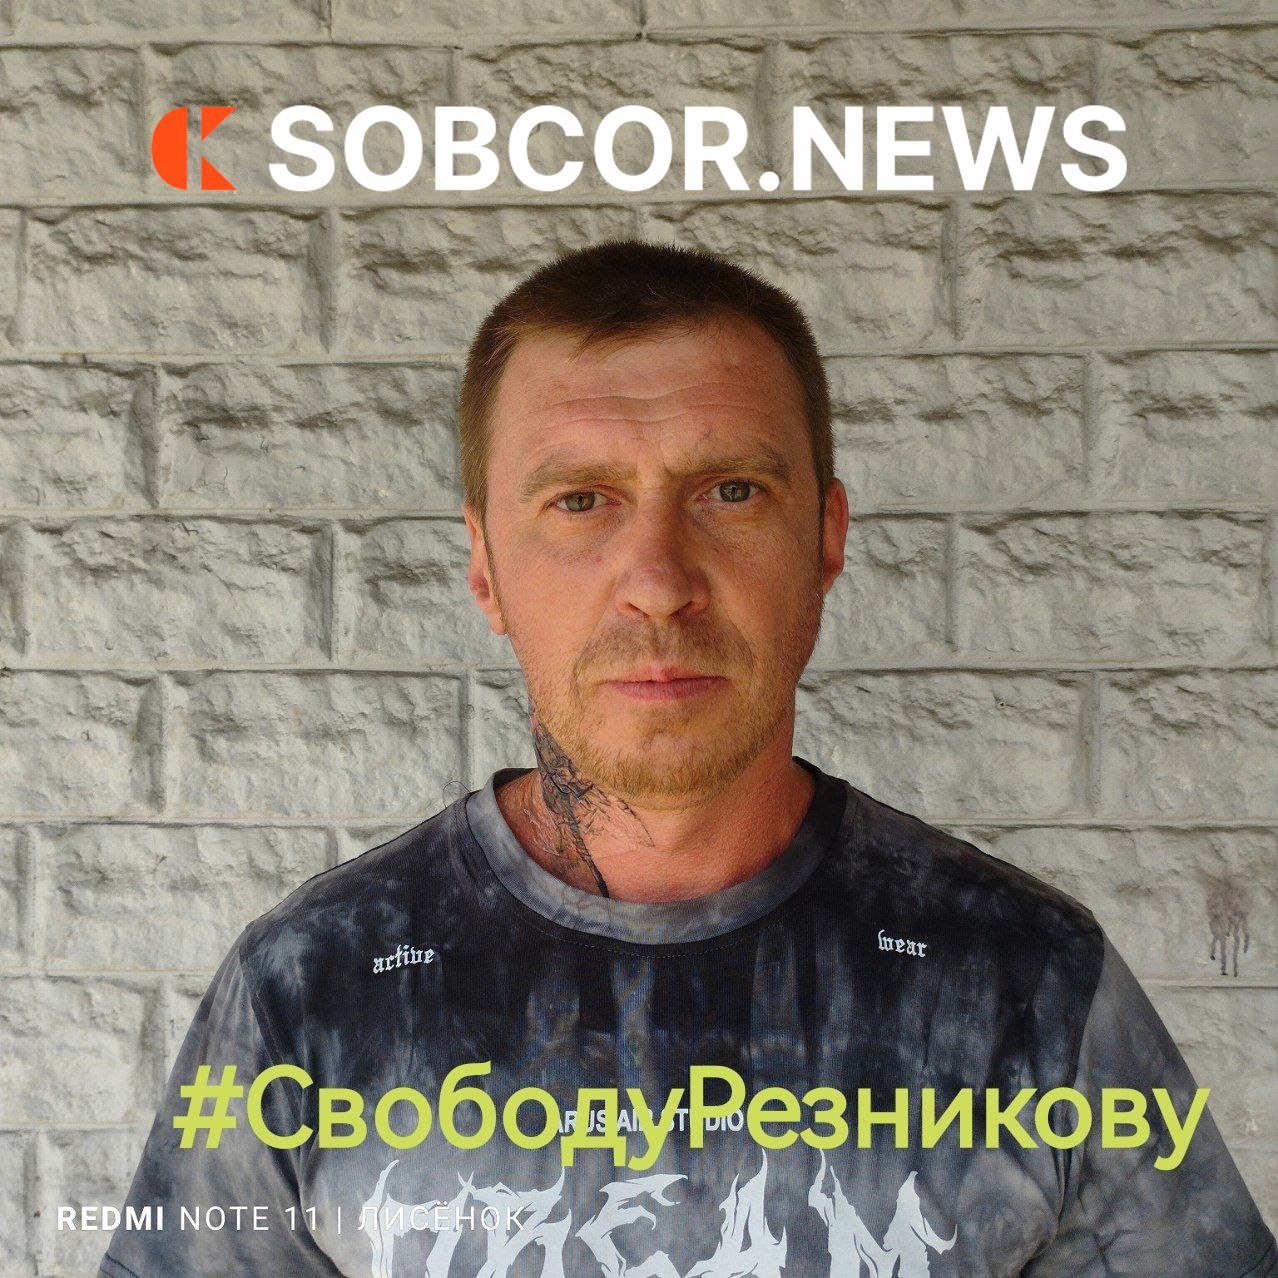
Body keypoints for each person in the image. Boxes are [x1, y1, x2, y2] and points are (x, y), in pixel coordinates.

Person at [101, 240, 1275, 1278]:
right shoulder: (313, 988)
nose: (659, 581)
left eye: (731, 491)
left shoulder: (1030, 986)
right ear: (484, 567)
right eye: (581, 501)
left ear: (824, 540)